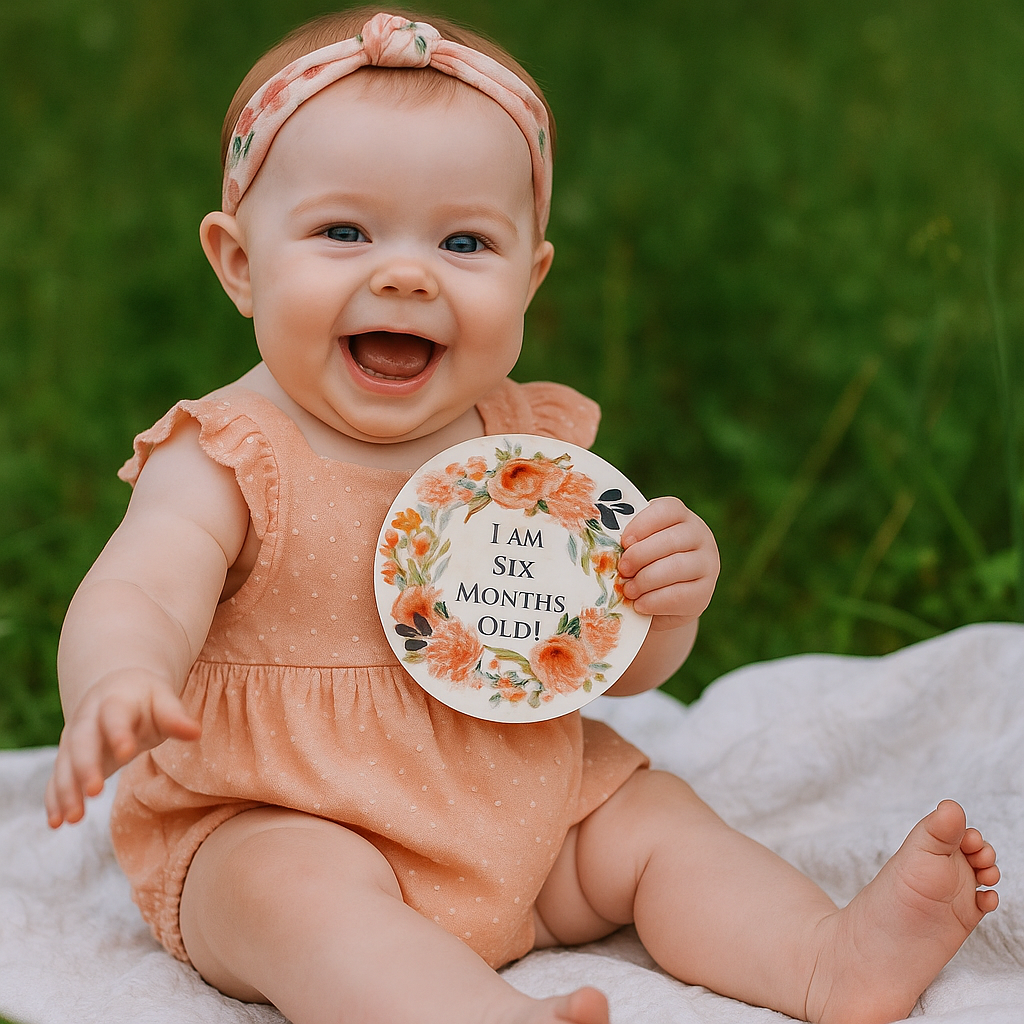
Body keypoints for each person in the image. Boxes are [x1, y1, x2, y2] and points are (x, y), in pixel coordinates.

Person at [44, 9, 999, 1024]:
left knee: (652, 821)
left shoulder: (527, 454)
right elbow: (142, 584)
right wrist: (120, 677)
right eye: (342, 232)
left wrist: (662, 603)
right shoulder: (230, 452)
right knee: (298, 899)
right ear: (239, 262)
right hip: (279, 809)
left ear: (530, 275)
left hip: (521, 805)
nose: (406, 273)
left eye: (464, 240)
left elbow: (603, 658)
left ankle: (824, 957)